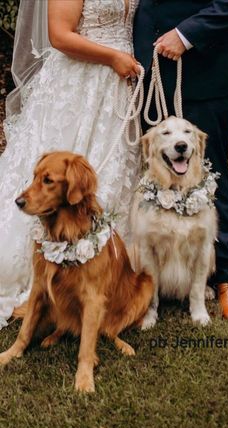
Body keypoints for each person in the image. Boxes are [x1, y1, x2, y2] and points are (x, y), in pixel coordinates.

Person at [0, 0, 141, 329]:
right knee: (65, 176)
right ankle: (52, 269)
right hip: (80, 85)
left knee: (115, 171)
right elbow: (60, 36)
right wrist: (113, 57)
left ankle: (104, 272)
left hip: (118, 87)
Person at [133, 0, 228, 319]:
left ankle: (226, 277)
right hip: (146, 71)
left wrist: (186, 33)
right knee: (153, 175)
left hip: (203, 67)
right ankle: (153, 276)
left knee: (210, 173)